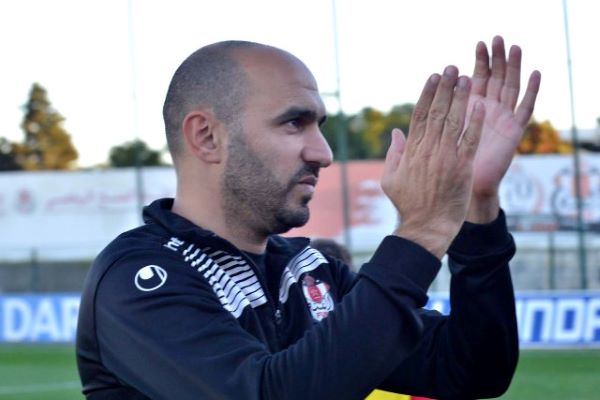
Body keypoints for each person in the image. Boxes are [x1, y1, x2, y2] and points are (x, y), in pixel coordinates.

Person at [76, 37, 541, 400]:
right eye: (293, 123)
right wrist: (421, 232)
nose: (323, 152)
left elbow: (471, 369)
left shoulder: (309, 271)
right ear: (207, 137)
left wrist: (477, 206)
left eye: (319, 125)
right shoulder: (139, 277)